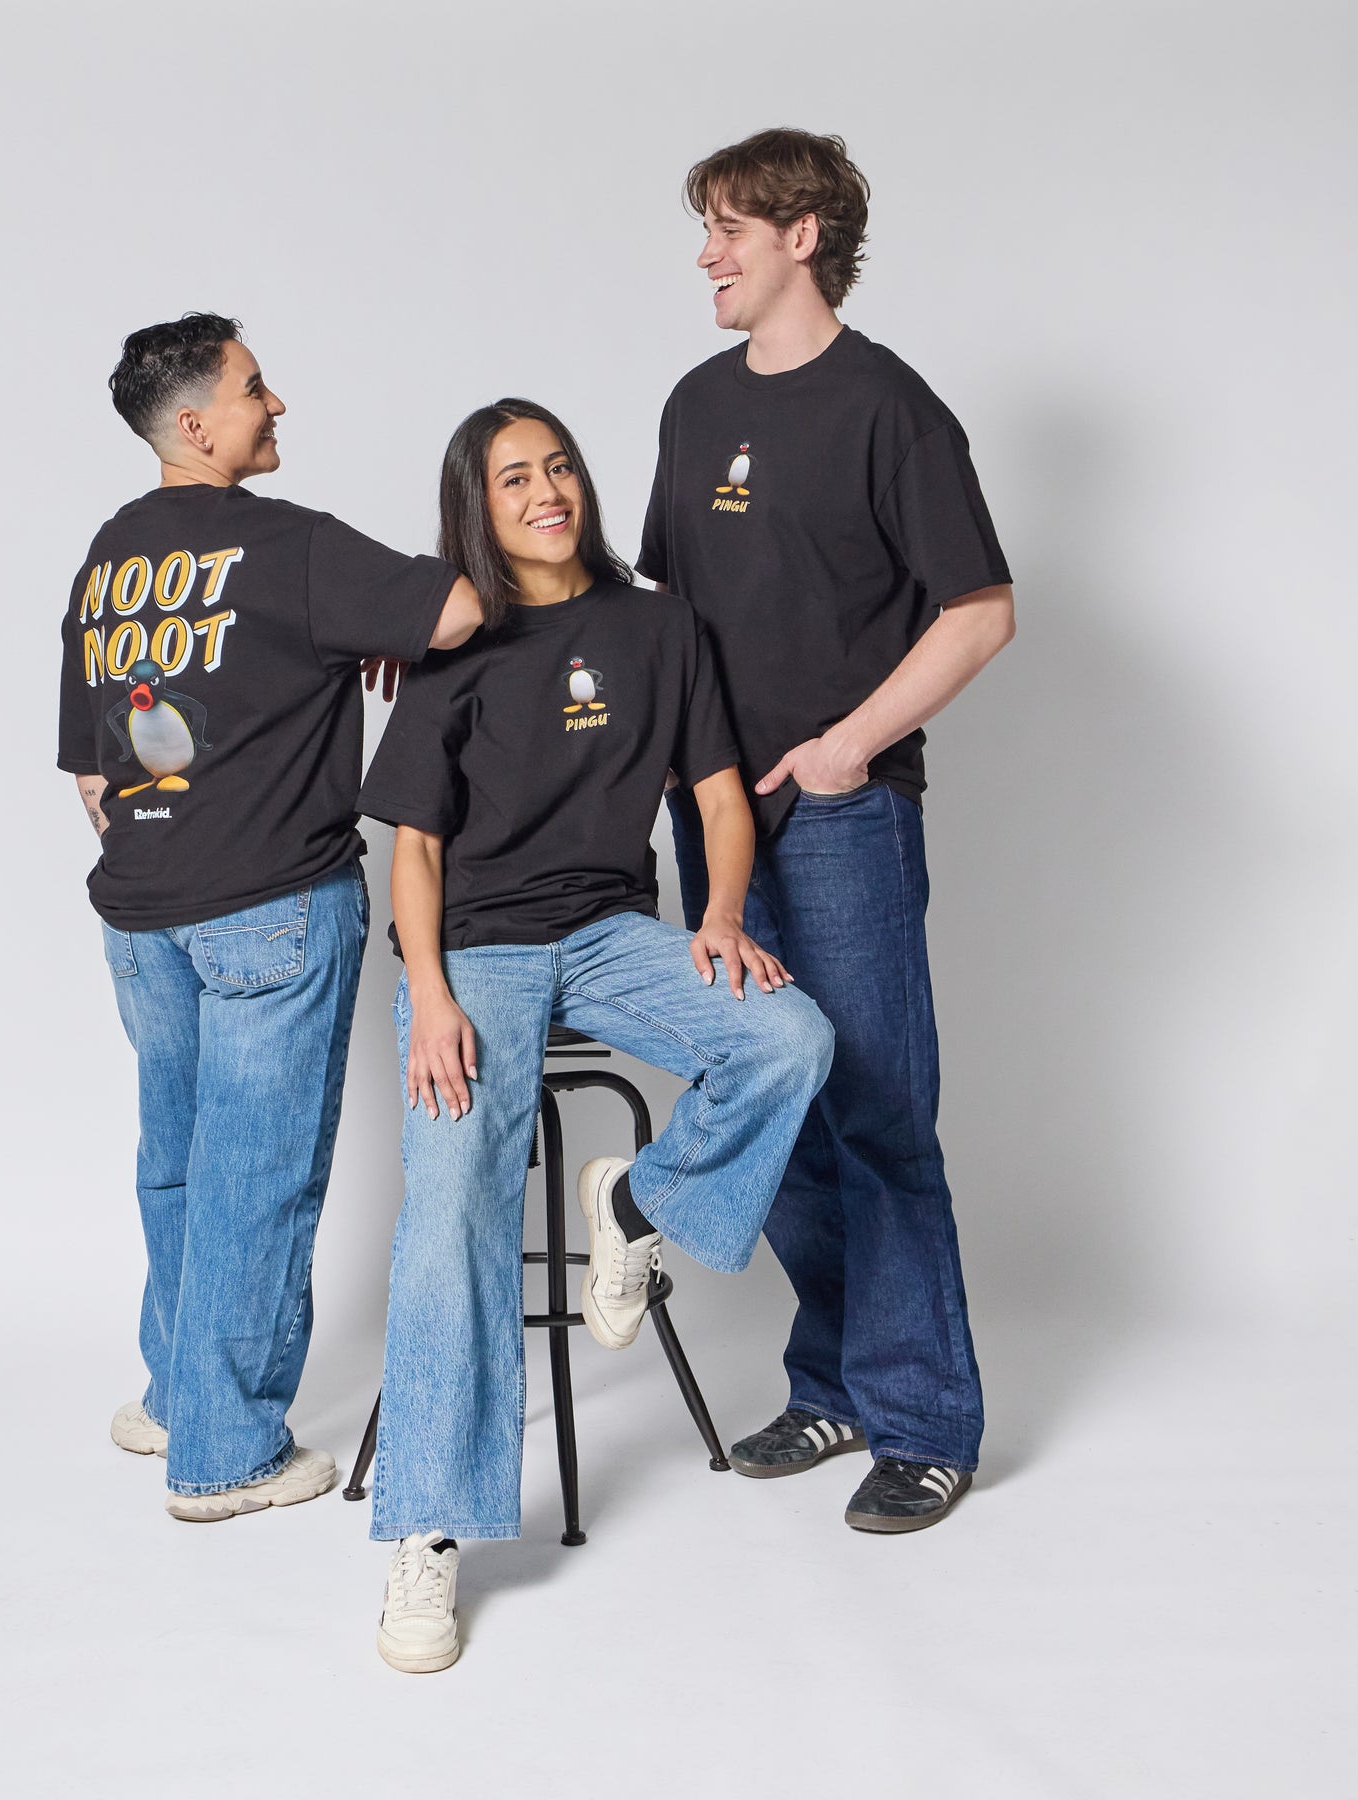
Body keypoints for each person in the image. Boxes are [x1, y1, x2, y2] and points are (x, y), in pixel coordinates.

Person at [356, 398, 835, 1672]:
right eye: (514, 478)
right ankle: (428, 1532)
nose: (546, 492)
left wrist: (721, 916)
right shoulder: (454, 646)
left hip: (614, 932)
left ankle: (635, 1208)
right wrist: (431, 993)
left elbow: (719, 796)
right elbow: (414, 848)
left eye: (558, 466)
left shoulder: (658, 626)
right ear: (479, 506)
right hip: (475, 952)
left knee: (788, 1039)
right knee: (453, 1205)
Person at [641, 129, 1016, 1532]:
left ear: (803, 235)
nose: (706, 255)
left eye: (727, 228)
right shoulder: (693, 405)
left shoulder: (890, 409)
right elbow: (665, 617)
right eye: (704, 229)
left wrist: (851, 746)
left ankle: (925, 1423)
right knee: (776, 1096)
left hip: (844, 821)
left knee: (876, 1113)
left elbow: (980, 609)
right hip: (714, 817)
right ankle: (838, 1385)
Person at [56, 312, 481, 1521]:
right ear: (196, 425)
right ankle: (227, 1453)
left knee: (180, 1164)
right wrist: (387, 635)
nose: (277, 402)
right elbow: (458, 612)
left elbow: (92, 772)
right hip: (270, 909)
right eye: (255, 388)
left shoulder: (109, 557)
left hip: (139, 917)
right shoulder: (288, 545)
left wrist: (167, 846)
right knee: (258, 1180)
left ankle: (175, 1397)